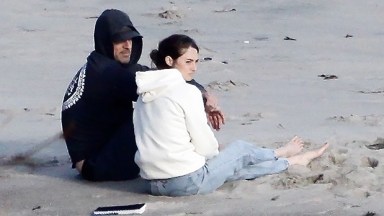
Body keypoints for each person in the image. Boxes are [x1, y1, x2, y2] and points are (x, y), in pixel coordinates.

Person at [133, 34, 329, 196]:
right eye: (188, 61)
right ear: (169, 61)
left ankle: (291, 161)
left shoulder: (144, 94)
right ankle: (279, 153)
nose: (194, 68)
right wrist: (214, 155)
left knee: (233, 167)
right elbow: (207, 147)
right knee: (239, 150)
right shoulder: (187, 91)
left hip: (152, 184)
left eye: (197, 62)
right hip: (186, 182)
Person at [61, 10, 222, 181]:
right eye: (120, 40)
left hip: (98, 152)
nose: (127, 45)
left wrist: (203, 94)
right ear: (105, 41)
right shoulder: (106, 72)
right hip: (94, 165)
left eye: (131, 39)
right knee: (157, 106)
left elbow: (155, 75)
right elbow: (166, 84)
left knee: (153, 103)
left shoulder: (102, 63)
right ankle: (184, 160)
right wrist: (202, 98)